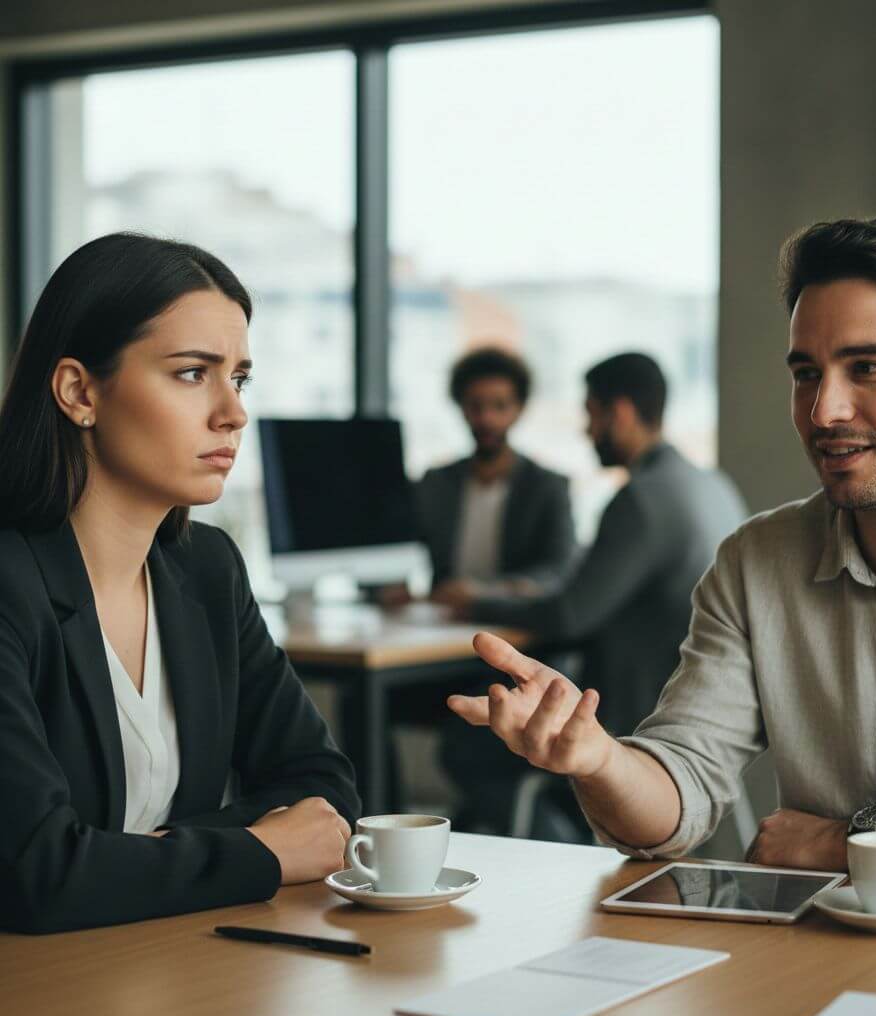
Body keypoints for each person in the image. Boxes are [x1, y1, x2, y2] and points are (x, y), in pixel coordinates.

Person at [448, 214, 876, 894]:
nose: (823, 410)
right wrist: (599, 760)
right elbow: (682, 785)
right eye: (807, 373)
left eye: (867, 367)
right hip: (810, 966)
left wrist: (845, 844)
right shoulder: (757, 562)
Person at [0, 233, 360, 934]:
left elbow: (322, 788)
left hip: (166, 959)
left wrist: (124, 862)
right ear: (79, 392)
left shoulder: (208, 570)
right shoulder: (10, 585)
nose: (233, 413)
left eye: (240, 377)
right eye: (193, 373)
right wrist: (256, 849)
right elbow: (36, 873)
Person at [438, 352, 746, 836]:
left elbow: (569, 614)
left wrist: (472, 602)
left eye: (590, 413)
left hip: (631, 713)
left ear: (618, 413)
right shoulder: (710, 485)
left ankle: (569, 845)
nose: (586, 430)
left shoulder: (641, 498)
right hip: (702, 706)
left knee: (464, 745)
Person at [414, 346, 575, 601]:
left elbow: (558, 570)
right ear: (462, 408)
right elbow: (401, 551)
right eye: (475, 406)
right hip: (441, 621)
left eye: (499, 406)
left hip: (514, 627)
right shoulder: (436, 483)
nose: (486, 418)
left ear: (519, 409)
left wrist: (487, 592)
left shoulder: (547, 486)